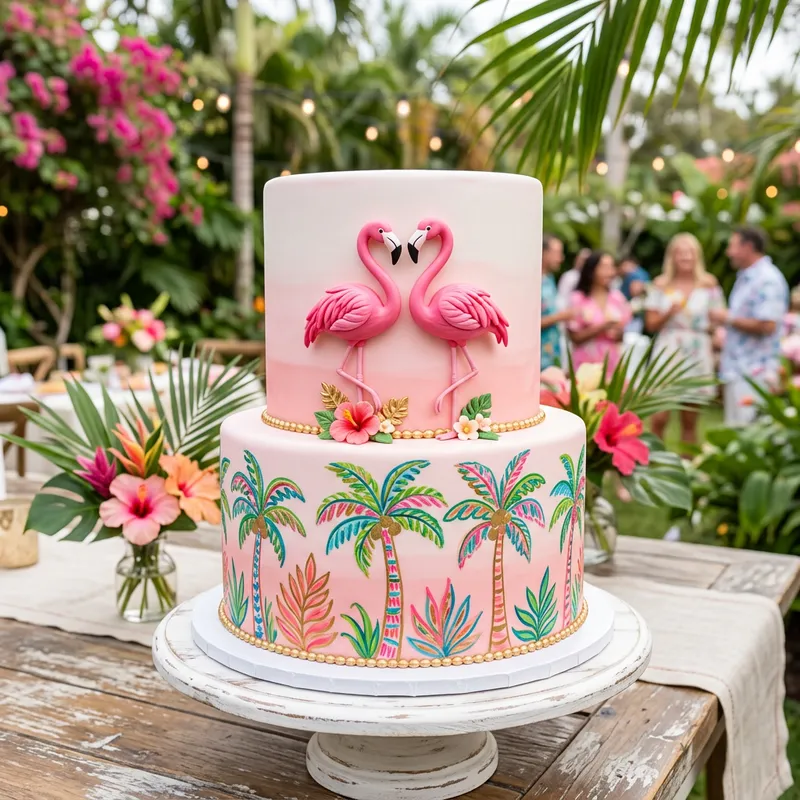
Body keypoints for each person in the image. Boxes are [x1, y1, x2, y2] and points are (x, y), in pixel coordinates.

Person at [645, 233, 725, 444]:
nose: (685, 256)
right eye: (680, 252)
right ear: (671, 256)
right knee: (659, 416)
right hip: (669, 348)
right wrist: (668, 313)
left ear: (697, 255)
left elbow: (719, 317)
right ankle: (653, 465)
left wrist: (715, 330)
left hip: (697, 351)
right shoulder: (661, 284)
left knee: (690, 418)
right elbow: (650, 324)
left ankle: (689, 466)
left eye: (689, 252)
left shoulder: (708, 284)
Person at [709, 226, 789, 425]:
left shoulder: (767, 279)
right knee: (735, 434)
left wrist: (727, 318)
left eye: (732, 246)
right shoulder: (746, 277)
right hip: (737, 369)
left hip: (755, 373)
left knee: (750, 436)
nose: (728, 252)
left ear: (748, 247)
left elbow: (768, 324)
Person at [568, 251, 632, 372]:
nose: (609, 272)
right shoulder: (578, 298)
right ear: (591, 270)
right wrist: (602, 327)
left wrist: (618, 333)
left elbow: (621, 335)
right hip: (585, 362)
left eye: (611, 267)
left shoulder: (617, 298)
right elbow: (575, 337)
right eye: (604, 267)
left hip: (611, 360)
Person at [540, 235, 574, 369]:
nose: (561, 258)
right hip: (538, 358)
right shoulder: (532, 282)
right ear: (543, 252)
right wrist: (561, 316)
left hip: (552, 355)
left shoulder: (549, 279)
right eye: (557, 253)